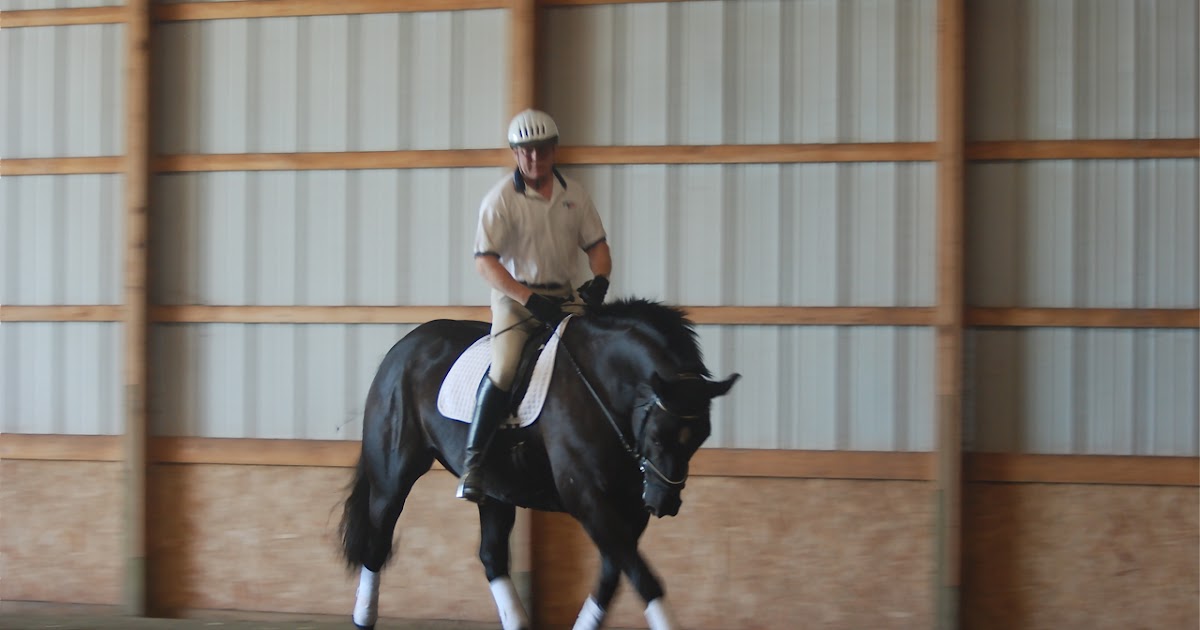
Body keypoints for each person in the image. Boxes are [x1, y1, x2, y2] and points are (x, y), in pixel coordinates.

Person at [457, 109, 612, 502]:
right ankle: (473, 463)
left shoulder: (574, 196)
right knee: (506, 367)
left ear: (553, 150)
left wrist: (600, 282)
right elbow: (484, 262)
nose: (534, 159)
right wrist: (527, 299)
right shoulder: (501, 200)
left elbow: (597, 247)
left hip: (563, 295)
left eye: (541, 151)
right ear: (515, 152)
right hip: (516, 300)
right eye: (525, 152)